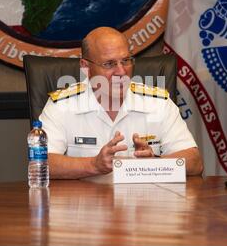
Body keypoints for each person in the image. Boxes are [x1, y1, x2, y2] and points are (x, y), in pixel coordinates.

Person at [39, 27, 203, 179]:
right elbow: (41, 164)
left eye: (125, 61)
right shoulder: (61, 105)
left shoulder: (158, 103)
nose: (121, 71)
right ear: (85, 68)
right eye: (109, 64)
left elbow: (195, 163)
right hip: (86, 206)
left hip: (144, 207)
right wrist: (93, 165)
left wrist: (155, 162)